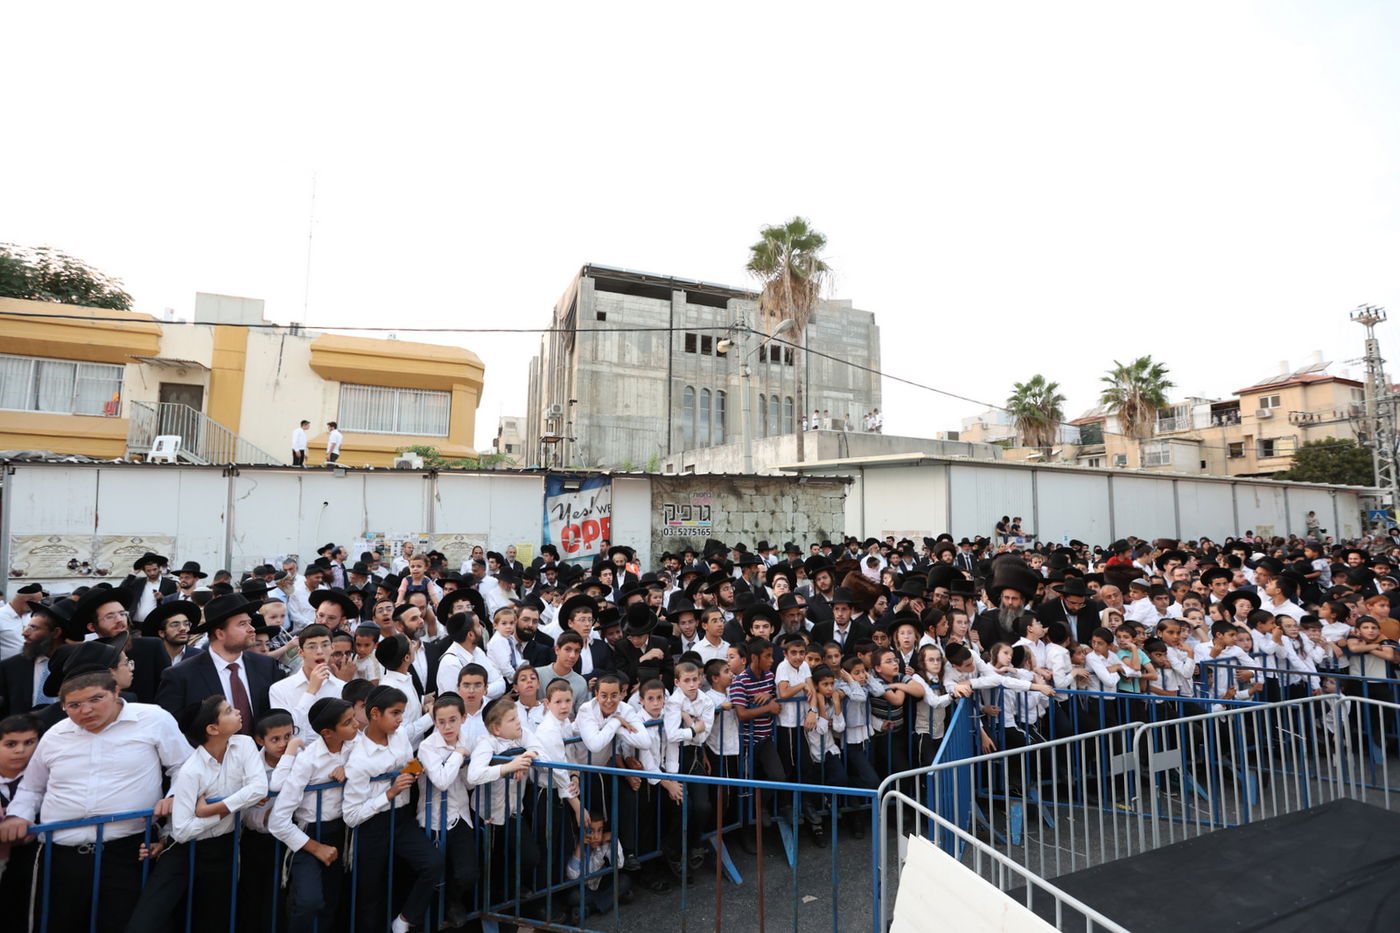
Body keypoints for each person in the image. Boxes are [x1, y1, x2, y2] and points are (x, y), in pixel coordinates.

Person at [1, 669, 191, 933]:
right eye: (74, 705)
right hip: (60, 854)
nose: (86, 710)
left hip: (128, 850)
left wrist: (174, 798)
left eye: (96, 699)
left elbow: (183, 765)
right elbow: (32, 788)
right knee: (57, 924)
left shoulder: (153, 718)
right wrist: (18, 815)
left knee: (125, 924)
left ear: (115, 692)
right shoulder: (56, 734)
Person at [126, 695, 268, 931]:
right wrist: (223, 812)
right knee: (149, 918)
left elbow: (259, 788)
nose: (238, 712)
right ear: (213, 728)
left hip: (224, 847)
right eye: (229, 711)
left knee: (214, 918)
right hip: (183, 850)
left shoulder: (244, 744)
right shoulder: (191, 771)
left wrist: (211, 809)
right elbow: (182, 830)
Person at [343, 685, 444, 933]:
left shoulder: (399, 736)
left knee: (432, 864)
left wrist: (413, 769)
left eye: (402, 713)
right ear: (375, 713)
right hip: (373, 826)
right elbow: (352, 815)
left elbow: (408, 762)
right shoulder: (359, 757)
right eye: (395, 713)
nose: (401, 719)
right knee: (370, 894)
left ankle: (404, 920)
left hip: (402, 819)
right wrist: (389, 793)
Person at [268, 697, 357, 933]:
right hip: (309, 834)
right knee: (309, 901)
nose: (357, 725)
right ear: (327, 732)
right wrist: (315, 847)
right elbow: (278, 821)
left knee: (331, 899)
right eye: (348, 722)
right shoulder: (308, 760)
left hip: (341, 831)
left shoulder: (355, 745)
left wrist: (350, 769)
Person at [158, 593, 286, 735]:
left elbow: (278, 715)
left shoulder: (267, 666)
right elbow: (170, 730)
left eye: (249, 622)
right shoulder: (181, 675)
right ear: (220, 634)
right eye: (242, 624)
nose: (252, 629)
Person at [268, 624, 346, 739]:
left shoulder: (342, 687)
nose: (319, 651)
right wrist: (311, 691)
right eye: (311, 646)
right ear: (300, 652)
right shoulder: (279, 689)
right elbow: (285, 732)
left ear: (332, 648)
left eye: (325, 645)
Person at [0, 713, 41, 907]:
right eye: (11, 744)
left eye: (29, 742)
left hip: (35, 867)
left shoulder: (51, 778)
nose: (20, 750)